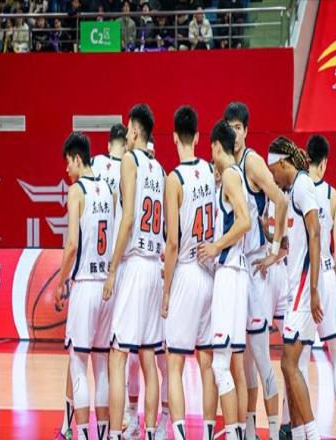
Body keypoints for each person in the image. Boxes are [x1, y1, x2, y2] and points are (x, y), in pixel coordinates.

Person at [224, 102, 288, 440]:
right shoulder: (226, 164)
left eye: (239, 128)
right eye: (230, 127)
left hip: (256, 268)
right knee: (243, 361)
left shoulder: (252, 161)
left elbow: (281, 199)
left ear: (246, 131)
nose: (234, 133)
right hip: (236, 270)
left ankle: (274, 432)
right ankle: (249, 431)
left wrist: (275, 248)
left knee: (262, 359)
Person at [103, 104, 164, 440]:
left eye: (128, 128)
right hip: (155, 266)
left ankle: (115, 433)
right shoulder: (160, 169)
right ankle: (151, 432)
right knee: (149, 357)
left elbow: (127, 220)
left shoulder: (130, 160)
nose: (126, 134)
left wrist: (112, 269)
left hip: (135, 262)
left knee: (117, 356)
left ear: (136, 130)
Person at [162, 106, 218, 440]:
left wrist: (166, 291)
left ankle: (181, 435)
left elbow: (172, 242)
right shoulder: (211, 170)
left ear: (173, 137)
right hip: (209, 271)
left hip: (184, 272)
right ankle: (208, 433)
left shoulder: (174, 179)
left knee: (175, 364)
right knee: (208, 362)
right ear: (197, 137)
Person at [54, 132, 114, 440]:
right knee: (101, 364)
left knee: (78, 364)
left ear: (78, 159)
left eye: (68, 162)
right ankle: (101, 435)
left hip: (85, 285)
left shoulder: (77, 191)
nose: (67, 170)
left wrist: (60, 281)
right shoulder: (108, 189)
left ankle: (82, 435)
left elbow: (72, 245)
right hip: (106, 287)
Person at [197, 119, 250, 440]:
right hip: (236, 273)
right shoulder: (233, 175)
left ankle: (232, 433)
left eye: (211, 149)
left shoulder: (230, 174)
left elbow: (244, 221)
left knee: (220, 365)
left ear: (217, 146)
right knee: (229, 364)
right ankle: (236, 431)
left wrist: (216, 246)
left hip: (229, 273)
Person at [267, 136, 322, 440]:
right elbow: (296, 241)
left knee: (289, 363)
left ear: (283, 163)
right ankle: (300, 434)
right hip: (296, 288)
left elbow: (315, 233)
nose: (272, 177)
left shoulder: (302, 185)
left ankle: (311, 434)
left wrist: (313, 289)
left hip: (304, 286)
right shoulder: (291, 192)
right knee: (288, 364)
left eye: (273, 171)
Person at [302, 135, 336, 440]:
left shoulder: (298, 188)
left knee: (298, 357)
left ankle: (294, 425)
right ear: (324, 163)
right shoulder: (332, 194)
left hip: (306, 277)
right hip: (327, 273)